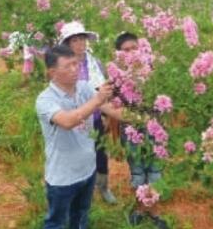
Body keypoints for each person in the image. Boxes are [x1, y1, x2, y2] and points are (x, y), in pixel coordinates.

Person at [36, 45, 128, 228]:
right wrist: (97, 99)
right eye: (68, 66)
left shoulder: (83, 87)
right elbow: (68, 121)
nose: (74, 69)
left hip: (87, 170)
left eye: (76, 64)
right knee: (56, 222)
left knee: (80, 216)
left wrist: (146, 119)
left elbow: (111, 110)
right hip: (62, 178)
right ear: (52, 72)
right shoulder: (45, 100)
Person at [112, 31, 168, 229]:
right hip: (131, 132)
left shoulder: (154, 71)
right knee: (137, 172)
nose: (130, 53)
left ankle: (154, 212)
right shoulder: (116, 78)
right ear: (119, 54)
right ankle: (139, 209)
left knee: (155, 172)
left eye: (133, 48)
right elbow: (112, 108)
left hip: (156, 130)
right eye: (125, 50)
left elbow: (166, 99)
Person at [59, 21, 116, 204]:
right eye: (75, 40)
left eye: (82, 39)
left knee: (100, 153)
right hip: (75, 118)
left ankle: (103, 187)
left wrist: (107, 116)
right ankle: (80, 192)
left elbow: (104, 89)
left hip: (97, 116)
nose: (80, 44)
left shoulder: (95, 63)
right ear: (68, 44)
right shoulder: (63, 66)